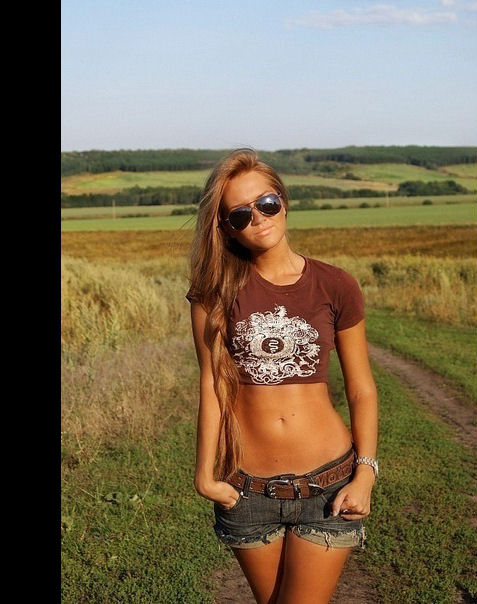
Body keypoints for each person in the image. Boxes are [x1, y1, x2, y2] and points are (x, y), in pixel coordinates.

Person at [185, 148, 378, 603]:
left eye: (266, 203)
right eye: (240, 214)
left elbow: (361, 389)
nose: (258, 218)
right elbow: (212, 385)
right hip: (246, 489)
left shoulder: (336, 285)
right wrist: (204, 476)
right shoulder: (214, 293)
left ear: (283, 201)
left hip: (328, 483)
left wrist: (365, 473)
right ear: (225, 227)